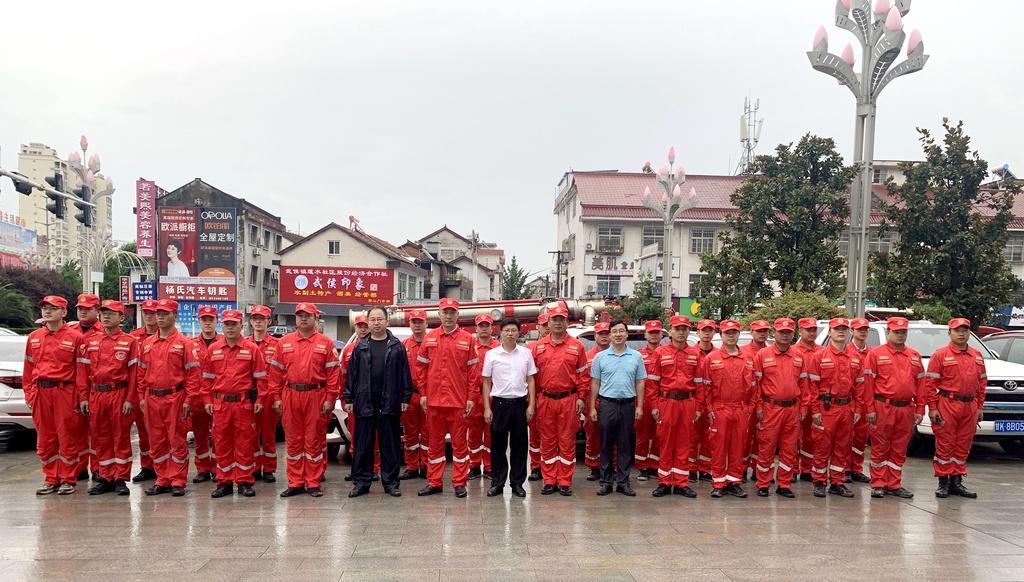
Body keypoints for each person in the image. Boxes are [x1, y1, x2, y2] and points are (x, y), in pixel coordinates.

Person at [268, 303, 341, 498]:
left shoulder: (326, 343)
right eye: (300, 315)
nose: (303, 319)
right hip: (291, 395)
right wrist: (275, 397)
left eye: (308, 315)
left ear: (316, 319)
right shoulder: (283, 343)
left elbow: (333, 374)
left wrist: (330, 398)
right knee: (293, 441)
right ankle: (296, 482)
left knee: (314, 440)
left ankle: (313, 482)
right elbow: (275, 373)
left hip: (315, 396)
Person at [344, 307, 413, 498]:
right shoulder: (360, 346)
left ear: (387, 321)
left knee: (390, 445)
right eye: (372, 319)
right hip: (364, 401)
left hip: (389, 401)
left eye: (379, 319)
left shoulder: (397, 346)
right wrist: (348, 398)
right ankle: (361, 482)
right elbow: (352, 375)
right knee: (363, 445)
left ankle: (391, 482)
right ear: (368, 322)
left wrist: (406, 398)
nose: (376, 323)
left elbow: (404, 374)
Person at [137, 299, 202, 496]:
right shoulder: (147, 344)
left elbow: (193, 375)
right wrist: (141, 396)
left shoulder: (185, 344)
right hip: (152, 398)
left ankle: (177, 480)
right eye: (158, 314)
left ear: (175, 315)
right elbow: (141, 373)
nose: (160, 317)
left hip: (176, 398)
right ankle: (162, 478)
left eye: (165, 314)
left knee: (176, 440)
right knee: (156, 441)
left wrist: (189, 400)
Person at [415, 298, 479, 498]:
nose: (449, 315)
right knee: (434, 444)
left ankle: (459, 483)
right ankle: (434, 482)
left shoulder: (468, 339)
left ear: (458, 315)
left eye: (452, 312)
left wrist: (471, 397)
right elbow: (421, 369)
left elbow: (474, 371)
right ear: (439, 314)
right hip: (434, 402)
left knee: (460, 445)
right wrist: (423, 393)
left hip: (458, 402)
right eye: (445, 312)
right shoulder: (430, 338)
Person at [202, 309, 268, 498]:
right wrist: (207, 399)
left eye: (234, 324)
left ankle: (244, 481)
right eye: (227, 324)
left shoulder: (251, 349)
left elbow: (261, 378)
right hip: (220, 405)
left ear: (241, 325)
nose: (230, 328)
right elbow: (206, 378)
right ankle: (224, 481)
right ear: (222, 326)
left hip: (243, 404)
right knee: (221, 444)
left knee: (245, 444)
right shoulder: (213, 349)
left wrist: (261, 399)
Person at [76, 300, 138, 496]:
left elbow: (135, 374)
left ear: (121, 317)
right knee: (100, 438)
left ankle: (121, 478)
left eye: (112, 313)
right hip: (97, 394)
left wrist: (130, 399)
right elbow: (83, 372)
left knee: (120, 437)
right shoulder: (90, 342)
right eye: (103, 312)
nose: (106, 316)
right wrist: (84, 397)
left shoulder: (130, 342)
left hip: (119, 393)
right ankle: (106, 477)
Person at [24, 295, 84, 495]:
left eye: (53, 308)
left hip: (64, 391)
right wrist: (30, 393)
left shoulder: (75, 338)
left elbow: (82, 372)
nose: (47, 311)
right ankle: (51, 478)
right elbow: (28, 368)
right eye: (44, 308)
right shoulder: (34, 337)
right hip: (41, 392)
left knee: (67, 437)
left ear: (64, 312)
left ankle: (68, 479)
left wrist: (80, 396)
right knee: (45, 438)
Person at [862, 317, 925, 499]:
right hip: (883, 407)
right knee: (880, 447)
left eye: (903, 332)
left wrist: (920, 409)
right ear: (888, 332)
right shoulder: (875, 354)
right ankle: (878, 484)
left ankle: (894, 484)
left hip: (906, 409)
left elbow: (921, 384)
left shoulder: (914, 356)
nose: (900, 335)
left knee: (899, 448)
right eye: (896, 332)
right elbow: (867, 384)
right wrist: (870, 409)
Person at [530, 305, 589, 496]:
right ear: (548, 322)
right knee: (547, 441)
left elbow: (583, 376)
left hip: (568, 400)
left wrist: (581, 397)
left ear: (567, 322)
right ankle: (549, 480)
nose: (557, 323)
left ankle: (564, 481)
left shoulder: (576, 346)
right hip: (545, 399)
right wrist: (533, 400)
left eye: (561, 319)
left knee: (566, 441)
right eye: (554, 319)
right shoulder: (538, 347)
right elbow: (531, 378)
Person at [927, 318, 985, 499]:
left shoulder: (976, 355)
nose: (961, 333)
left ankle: (957, 482)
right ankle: (943, 482)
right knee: (945, 444)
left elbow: (982, 383)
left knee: (963, 445)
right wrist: (933, 408)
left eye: (965, 330)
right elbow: (930, 384)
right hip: (947, 404)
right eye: (957, 330)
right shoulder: (940, 355)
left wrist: (980, 406)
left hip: (970, 406)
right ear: (949, 333)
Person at [588, 320, 646, 496]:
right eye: (614, 331)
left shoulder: (636, 357)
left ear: (627, 334)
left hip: (628, 405)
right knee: (605, 444)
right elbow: (595, 383)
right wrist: (592, 407)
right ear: (610, 335)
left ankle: (623, 482)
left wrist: (640, 406)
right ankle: (605, 481)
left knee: (625, 445)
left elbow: (640, 382)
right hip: (607, 404)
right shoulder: (600, 357)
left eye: (621, 331)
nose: (618, 334)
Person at [752, 318, 809, 498]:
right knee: (767, 447)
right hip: (770, 408)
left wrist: (803, 408)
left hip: (792, 408)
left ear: (793, 334)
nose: (785, 336)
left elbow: (804, 384)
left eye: (788, 333)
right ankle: (763, 483)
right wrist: (759, 407)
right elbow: (756, 385)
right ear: (774, 334)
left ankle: (784, 483)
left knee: (789, 448)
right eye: (781, 332)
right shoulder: (763, 355)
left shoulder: (799, 356)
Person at [807, 318, 862, 499]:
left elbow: (860, 386)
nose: (841, 332)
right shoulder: (819, 356)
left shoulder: (855, 358)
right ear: (830, 332)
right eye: (837, 329)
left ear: (849, 333)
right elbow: (812, 387)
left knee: (842, 447)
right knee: (822, 447)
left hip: (846, 408)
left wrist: (858, 408)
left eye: (844, 329)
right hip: (826, 408)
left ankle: (837, 482)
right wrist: (815, 410)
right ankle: (820, 482)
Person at [482, 318, 537, 498]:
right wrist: (487, 408)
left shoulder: (526, 353)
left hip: (519, 404)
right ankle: (497, 483)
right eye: (507, 330)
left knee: (519, 447)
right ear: (501, 333)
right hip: (498, 405)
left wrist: (531, 405)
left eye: (514, 330)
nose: (510, 333)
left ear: (519, 332)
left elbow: (531, 379)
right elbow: (486, 381)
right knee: (497, 446)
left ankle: (517, 484)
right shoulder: (492, 355)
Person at [700, 319, 754, 498]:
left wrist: (749, 409)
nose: (731, 336)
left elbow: (754, 387)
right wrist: (709, 410)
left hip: (740, 409)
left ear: (739, 335)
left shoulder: (748, 359)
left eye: (734, 333)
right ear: (721, 335)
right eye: (727, 333)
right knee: (718, 448)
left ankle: (734, 482)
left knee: (738, 448)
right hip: (719, 408)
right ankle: (718, 483)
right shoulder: (711, 358)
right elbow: (705, 387)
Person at [649, 315, 701, 498]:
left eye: (684, 329)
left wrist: (698, 407)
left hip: (688, 403)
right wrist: (654, 406)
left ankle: (680, 483)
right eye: (677, 329)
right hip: (667, 403)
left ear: (689, 331)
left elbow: (699, 383)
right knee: (666, 442)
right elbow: (653, 383)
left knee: (684, 443)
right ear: (670, 331)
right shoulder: (660, 353)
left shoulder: (695, 354)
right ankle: (664, 482)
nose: (681, 332)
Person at [69, 293, 102, 481]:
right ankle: (80, 468)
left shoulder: (103, 332)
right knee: (76, 431)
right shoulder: (70, 330)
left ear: (97, 310)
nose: (83, 312)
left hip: (95, 389)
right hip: (70, 389)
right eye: (80, 309)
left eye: (87, 309)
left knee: (96, 431)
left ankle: (97, 468)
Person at [342, 315, 378, 482]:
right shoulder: (348, 350)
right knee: (355, 435)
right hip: (355, 401)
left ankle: (374, 468)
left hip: (372, 400)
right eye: (359, 326)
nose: (362, 329)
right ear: (355, 328)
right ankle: (357, 468)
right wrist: (344, 399)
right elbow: (343, 377)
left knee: (374, 436)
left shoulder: (376, 346)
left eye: (365, 326)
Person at [248, 305, 280, 483]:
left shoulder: (277, 345)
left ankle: (268, 468)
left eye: (262, 318)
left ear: (269, 321)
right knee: (251, 434)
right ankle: (253, 467)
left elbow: (280, 372)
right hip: (249, 396)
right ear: (251, 321)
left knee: (268, 434)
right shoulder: (244, 343)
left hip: (268, 397)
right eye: (255, 318)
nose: (258, 321)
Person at [128, 299, 159, 482]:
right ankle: (147, 466)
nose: (148, 316)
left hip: (162, 392)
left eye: (152, 313)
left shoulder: (170, 337)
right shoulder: (134, 338)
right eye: (145, 312)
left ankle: (162, 467)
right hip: (141, 392)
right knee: (143, 432)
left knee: (162, 433)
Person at [190, 305, 220, 484]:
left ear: (217, 321)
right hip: (197, 397)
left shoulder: (223, 343)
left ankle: (217, 468)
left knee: (218, 435)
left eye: (211, 320)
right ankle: (202, 469)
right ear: (199, 321)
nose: (208, 323)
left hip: (217, 397)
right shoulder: (190, 345)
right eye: (204, 320)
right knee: (199, 435)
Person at [399, 310, 430, 480]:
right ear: (409, 324)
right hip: (409, 395)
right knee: (409, 432)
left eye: (420, 322)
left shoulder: (433, 342)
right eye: (414, 322)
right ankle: (411, 466)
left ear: (426, 324)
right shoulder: (403, 345)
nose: (417, 325)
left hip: (428, 395)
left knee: (428, 432)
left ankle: (426, 465)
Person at [468, 313, 499, 481]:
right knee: (473, 433)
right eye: (481, 326)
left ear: (492, 327)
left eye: (487, 325)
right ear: (476, 328)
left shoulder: (498, 347)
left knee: (490, 433)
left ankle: (488, 466)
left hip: (493, 396)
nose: (484, 328)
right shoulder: (470, 346)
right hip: (474, 396)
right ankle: (474, 465)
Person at [793, 317, 823, 481]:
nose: (811, 333)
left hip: (817, 401)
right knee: (793, 438)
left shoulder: (822, 351)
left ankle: (807, 468)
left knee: (812, 437)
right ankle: (791, 469)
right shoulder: (793, 351)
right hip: (798, 401)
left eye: (813, 329)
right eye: (808, 330)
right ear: (800, 331)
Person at [635, 320, 663, 481]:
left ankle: (655, 465)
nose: (654, 335)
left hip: (662, 400)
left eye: (657, 332)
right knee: (643, 434)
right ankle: (642, 467)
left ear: (661, 335)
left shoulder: (666, 353)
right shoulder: (638, 355)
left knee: (659, 435)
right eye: (651, 332)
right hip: (643, 400)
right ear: (646, 334)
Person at [741, 320, 770, 479]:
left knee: (763, 439)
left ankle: (759, 470)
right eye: (758, 331)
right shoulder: (743, 352)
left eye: (765, 331)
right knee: (745, 437)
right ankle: (742, 468)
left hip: (767, 402)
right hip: (747, 402)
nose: (762, 334)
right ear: (751, 332)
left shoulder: (773, 351)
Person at [583, 321, 611, 481]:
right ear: (595, 336)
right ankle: (594, 467)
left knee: (611, 436)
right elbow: (583, 380)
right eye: (601, 334)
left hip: (612, 401)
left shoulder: (618, 354)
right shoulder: (587, 357)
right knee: (592, 434)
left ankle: (610, 467)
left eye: (607, 333)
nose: (604, 336)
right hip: (592, 400)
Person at [691, 319, 717, 479]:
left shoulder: (719, 354)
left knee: (709, 436)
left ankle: (706, 468)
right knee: (691, 437)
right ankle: (692, 468)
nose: (707, 333)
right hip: (693, 400)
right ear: (698, 332)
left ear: (714, 332)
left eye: (710, 330)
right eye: (704, 330)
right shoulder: (691, 353)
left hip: (713, 402)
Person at [847, 317, 872, 484]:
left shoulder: (873, 353)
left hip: (867, 402)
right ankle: (844, 470)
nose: (862, 333)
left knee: (861, 438)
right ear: (852, 331)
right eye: (859, 330)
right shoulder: (846, 351)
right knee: (846, 437)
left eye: (865, 330)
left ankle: (856, 468)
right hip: (850, 402)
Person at [526, 312, 549, 481]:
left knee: (552, 435)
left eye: (550, 323)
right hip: (536, 396)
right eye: (544, 324)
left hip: (557, 398)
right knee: (534, 434)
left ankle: (550, 468)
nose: (547, 327)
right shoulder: (531, 349)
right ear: (538, 327)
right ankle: (536, 466)